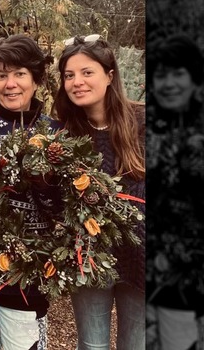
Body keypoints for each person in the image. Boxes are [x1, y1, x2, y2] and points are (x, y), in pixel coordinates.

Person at [0, 34, 62, 350]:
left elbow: (59, 209)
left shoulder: (53, 134)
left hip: (26, 278)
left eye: (19, 74)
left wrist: (42, 181)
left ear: (36, 80)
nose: (10, 84)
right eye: (1, 75)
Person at [53, 34, 146, 350]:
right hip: (91, 260)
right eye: (69, 75)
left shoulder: (143, 121)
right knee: (92, 346)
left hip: (141, 259)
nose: (76, 82)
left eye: (86, 72)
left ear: (109, 75)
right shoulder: (64, 136)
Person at [145, 33, 204, 350]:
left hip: (182, 276)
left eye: (178, 74)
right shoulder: (146, 130)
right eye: (161, 75)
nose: (169, 83)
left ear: (195, 80)